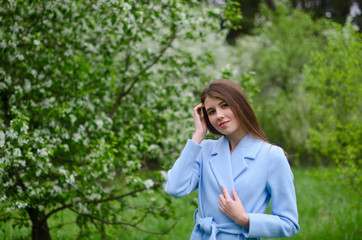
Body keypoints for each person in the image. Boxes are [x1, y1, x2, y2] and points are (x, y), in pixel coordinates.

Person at [165, 79, 299, 240]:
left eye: (224, 105)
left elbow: (289, 224)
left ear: (239, 104)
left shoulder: (272, 155)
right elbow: (174, 188)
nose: (219, 116)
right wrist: (198, 135)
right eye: (211, 111)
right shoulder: (205, 150)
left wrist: (245, 219)